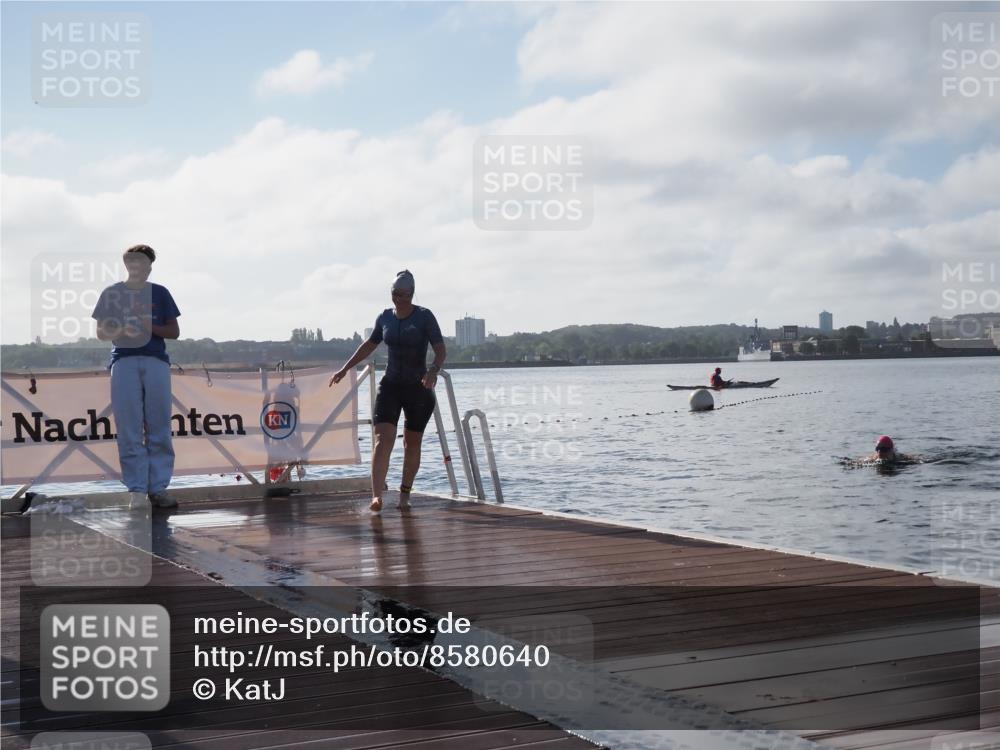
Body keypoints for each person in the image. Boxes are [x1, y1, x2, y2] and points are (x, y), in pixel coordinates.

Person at [330, 270, 446, 513]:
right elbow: (368, 346)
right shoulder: (385, 318)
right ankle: (376, 496)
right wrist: (344, 369)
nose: (399, 299)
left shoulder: (425, 317)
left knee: (412, 444)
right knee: (383, 440)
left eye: (404, 294)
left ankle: (405, 495)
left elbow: (440, 350)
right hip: (391, 386)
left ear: (412, 294)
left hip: (418, 388)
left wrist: (434, 370)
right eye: (395, 294)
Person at [92, 245, 181, 509]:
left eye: (143, 263)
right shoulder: (112, 293)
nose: (138, 267)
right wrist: (123, 328)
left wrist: (147, 326)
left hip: (156, 361)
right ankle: (137, 491)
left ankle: (158, 488)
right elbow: (101, 332)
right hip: (124, 361)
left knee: (160, 426)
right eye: (133, 262)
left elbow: (174, 331)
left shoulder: (160, 293)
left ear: (149, 266)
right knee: (129, 427)